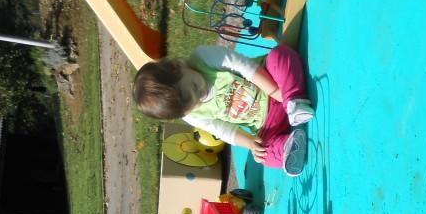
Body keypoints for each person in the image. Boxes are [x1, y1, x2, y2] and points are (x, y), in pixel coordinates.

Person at [133, 44, 314, 177]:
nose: (199, 95)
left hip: (272, 82)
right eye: (193, 103)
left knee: (280, 55)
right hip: (267, 122)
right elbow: (224, 131)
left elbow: (244, 66)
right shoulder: (192, 116)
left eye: (194, 86)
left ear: (178, 67)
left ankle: (295, 101)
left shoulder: (202, 58)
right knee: (263, 155)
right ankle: (290, 147)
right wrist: (251, 143)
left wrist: (275, 92)